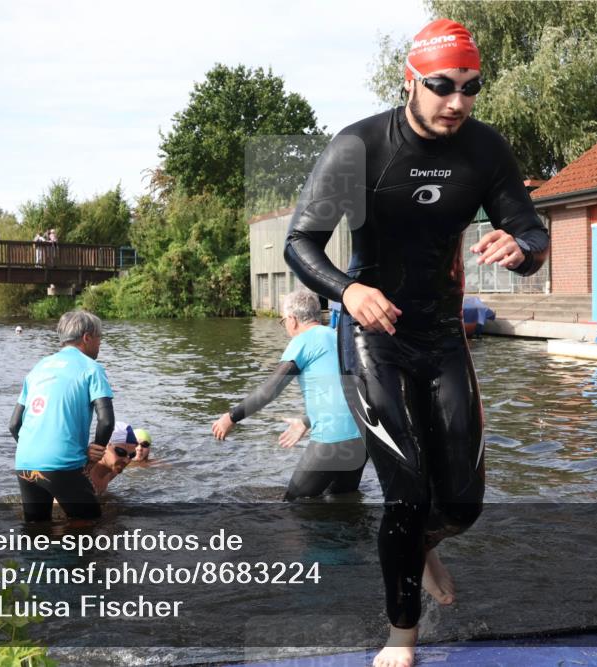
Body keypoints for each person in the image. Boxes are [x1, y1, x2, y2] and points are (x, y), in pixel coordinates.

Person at [282, 18, 549, 667]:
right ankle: (402, 637)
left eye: (470, 87)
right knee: (404, 491)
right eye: (442, 86)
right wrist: (346, 291)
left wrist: (520, 247)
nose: (457, 101)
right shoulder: (361, 147)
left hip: (442, 335)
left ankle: (422, 540)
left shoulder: (485, 151)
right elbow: (300, 242)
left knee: (463, 501)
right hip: (374, 335)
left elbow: (533, 233)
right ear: (411, 81)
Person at [212, 289, 367, 501]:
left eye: (283, 321)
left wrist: (231, 417)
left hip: (333, 438)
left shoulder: (302, 342)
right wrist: (306, 420)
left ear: (293, 320)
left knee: (293, 504)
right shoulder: (339, 335)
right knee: (343, 504)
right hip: (364, 436)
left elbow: (270, 390)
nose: (285, 326)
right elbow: (345, 390)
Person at [8, 310, 128, 522]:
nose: (100, 344)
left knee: (36, 530)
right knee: (90, 526)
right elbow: (106, 420)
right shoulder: (91, 368)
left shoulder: (38, 367)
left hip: (25, 461)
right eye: (99, 337)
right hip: (62, 463)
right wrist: (95, 453)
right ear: (87, 337)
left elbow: (14, 424)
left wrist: (34, 449)